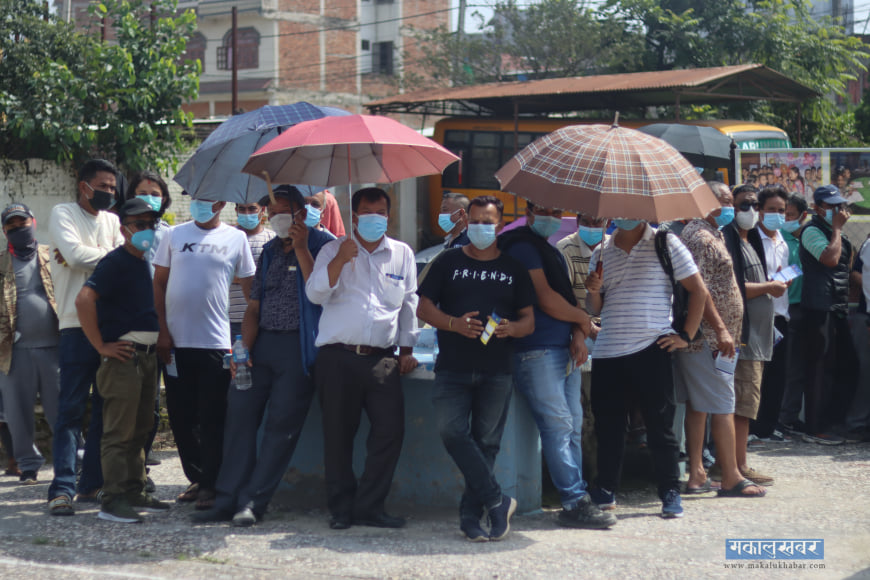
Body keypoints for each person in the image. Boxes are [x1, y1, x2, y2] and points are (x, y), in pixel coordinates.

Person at [192, 186, 332, 527]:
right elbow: (254, 305)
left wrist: (301, 247)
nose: (279, 216)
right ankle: (226, 499)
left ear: (302, 213)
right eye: (274, 211)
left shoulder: (324, 245)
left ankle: (253, 502)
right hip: (262, 344)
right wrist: (242, 348)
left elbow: (321, 293)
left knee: (280, 427)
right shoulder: (268, 250)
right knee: (238, 417)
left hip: (298, 348)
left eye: (287, 210)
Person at [417, 196, 535, 541]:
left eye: (489, 221)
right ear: (466, 222)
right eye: (476, 220)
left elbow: (529, 320)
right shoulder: (447, 261)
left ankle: (472, 516)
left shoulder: (513, 268)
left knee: (487, 443)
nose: (482, 226)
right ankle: (498, 500)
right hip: (452, 368)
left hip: (497, 369)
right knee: (451, 431)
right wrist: (452, 323)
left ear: (499, 225)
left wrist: (511, 328)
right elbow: (424, 308)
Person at [306, 187, 418, 531]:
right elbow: (315, 293)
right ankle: (341, 509)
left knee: (390, 431)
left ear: (389, 214)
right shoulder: (331, 249)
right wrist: (341, 259)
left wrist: (407, 349)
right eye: (368, 213)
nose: (375, 219)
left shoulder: (401, 254)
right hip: (337, 358)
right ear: (355, 217)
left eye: (381, 212)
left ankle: (370, 506)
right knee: (338, 435)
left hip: (382, 359)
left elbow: (409, 302)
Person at [500, 202, 616, 529]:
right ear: (529, 211)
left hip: (563, 347)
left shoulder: (546, 250)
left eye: (555, 211)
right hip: (535, 349)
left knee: (573, 426)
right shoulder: (523, 246)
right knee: (559, 423)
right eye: (543, 211)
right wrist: (583, 319)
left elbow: (563, 301)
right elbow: (547, 299)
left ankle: (575, 496)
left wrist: (578, 331)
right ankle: (574, 499)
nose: (551, 218)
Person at [585, 216, 705, 519]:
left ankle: (669, 490)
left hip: (652, 348)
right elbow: (594, 309)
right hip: (609, 351)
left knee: (660, 428)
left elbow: (698, 290)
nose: (624, 215)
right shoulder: (602, 251)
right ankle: (606, 489)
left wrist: (686, 336)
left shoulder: (666, 243)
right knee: (609, 427)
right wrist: (594, 289)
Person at [153, 196, 256, 509]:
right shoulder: (174, 235)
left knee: (212, 417)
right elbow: (158, 284)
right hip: (175, 343)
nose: (202, 204)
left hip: (215, 342)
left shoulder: (236, 238)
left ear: (221, 203)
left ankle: (213, 483)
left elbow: (252, 293)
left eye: (209, 199)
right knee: (182, 418)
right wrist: (162, 331)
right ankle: (197, 478)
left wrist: (247, 341)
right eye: (197, 198)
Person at [75, 198, 170, 523]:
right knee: (119, 431)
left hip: (145, 358)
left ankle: (133, 489)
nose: (146, 230)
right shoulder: (115, 262)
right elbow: (84, 298)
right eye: (139, 224)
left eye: (151, 224)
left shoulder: (143, 261)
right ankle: (112, 499)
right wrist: (101, 346)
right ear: (124, 228)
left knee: (141, 428)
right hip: (124, 357)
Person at [674, 186, 765, 499]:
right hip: (708, 339)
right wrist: (721, 329)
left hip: (714, 338)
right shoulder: (699, 237)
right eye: (723, 201)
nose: (729, 207)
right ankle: (730, 476)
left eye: (730, 201)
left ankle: (698, 472)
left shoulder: (716, 233)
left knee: (699, 407)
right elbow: (701, 290)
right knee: (723, 405)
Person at [47, 159, 125, 516]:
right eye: (103, 186)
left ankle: (90, 484)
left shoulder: (111, 220)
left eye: (113, 187)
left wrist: (84, 258)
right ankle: (61, 488)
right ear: (84, 186)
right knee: (71, 410)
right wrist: (113, 256)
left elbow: (85, 258)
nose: (109, 192)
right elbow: (76, 256)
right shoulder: (62, 213)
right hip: (74, 325)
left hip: (110, 325)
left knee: (105, 410)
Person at [719, 184, 783, 487]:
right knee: (741, 404)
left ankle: (737, 462)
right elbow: (734, 286)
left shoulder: (752, 239)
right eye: (743, 205)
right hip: (742, 337)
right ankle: (737, 465)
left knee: (745, 404)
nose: (751, 211)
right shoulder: (730, 239)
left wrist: (771, 283)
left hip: (757, 336)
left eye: (754, 205)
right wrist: (768, 288)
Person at [0, 203, 59, 485]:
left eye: (22, 223)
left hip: (54, 348)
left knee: (61, 409)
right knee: (17, 413)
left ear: (34, 222)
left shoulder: (53, 255)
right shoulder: (1, 262)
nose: (18, 228)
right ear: (4, 230)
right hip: (14, 352)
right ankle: (27, 465)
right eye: (12, 225)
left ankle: (69, 462)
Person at [798, 185, 858, 445]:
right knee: (818, 368)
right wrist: (836, 228)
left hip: (836, 306)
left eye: (840, 205)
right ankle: (815, 427)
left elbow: (847, 266)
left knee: (846, 366)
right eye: (832, 206)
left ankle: (834, 421)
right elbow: (831, 260)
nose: (838, 210)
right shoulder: (812, 230)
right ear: (818, 207)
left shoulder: (839, 235)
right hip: (818, 306)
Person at [556, 213, 609, 480]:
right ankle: (588, 477)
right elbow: (566, 300)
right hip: (578, 332)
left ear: (606, 222)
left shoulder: (611, 248)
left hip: (608, 334)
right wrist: (587, 328)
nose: (592, 226)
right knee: (582, 413)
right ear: (578, 222)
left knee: (607, 410)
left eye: (597, 222)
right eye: (586, 221)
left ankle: (607, 475)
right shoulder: (564, 249)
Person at [751, 185, 792, 443]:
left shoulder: (782, 240)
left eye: (781, 210)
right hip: (758, 315)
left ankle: (768, 427)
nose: (776, 215)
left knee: (777, 374)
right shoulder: (751, 239)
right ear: (760, 211)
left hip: (781, 315)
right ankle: (752, 428)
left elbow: (782, 272)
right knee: (756, 375)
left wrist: (786, 277)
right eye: (771, 210)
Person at [778, 194, 809, 435]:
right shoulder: (779, 239)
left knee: (798, 367)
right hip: (781, 311)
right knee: (782, 367)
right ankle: (777, 417)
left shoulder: (808, 239)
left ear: (803, 216)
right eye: (783, 214)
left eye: (790, 215)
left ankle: (789, 416)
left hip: (802, 309)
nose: (785, 219)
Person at [229, 200, 275, 338]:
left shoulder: (272, 239)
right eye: (242, 209)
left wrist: (241, 277)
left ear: (262, 210)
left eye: (252, 209)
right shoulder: (228, 237)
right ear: (236, 210)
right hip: (231, 317)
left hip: (261, 316)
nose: (247, 213)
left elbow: (273, 276)